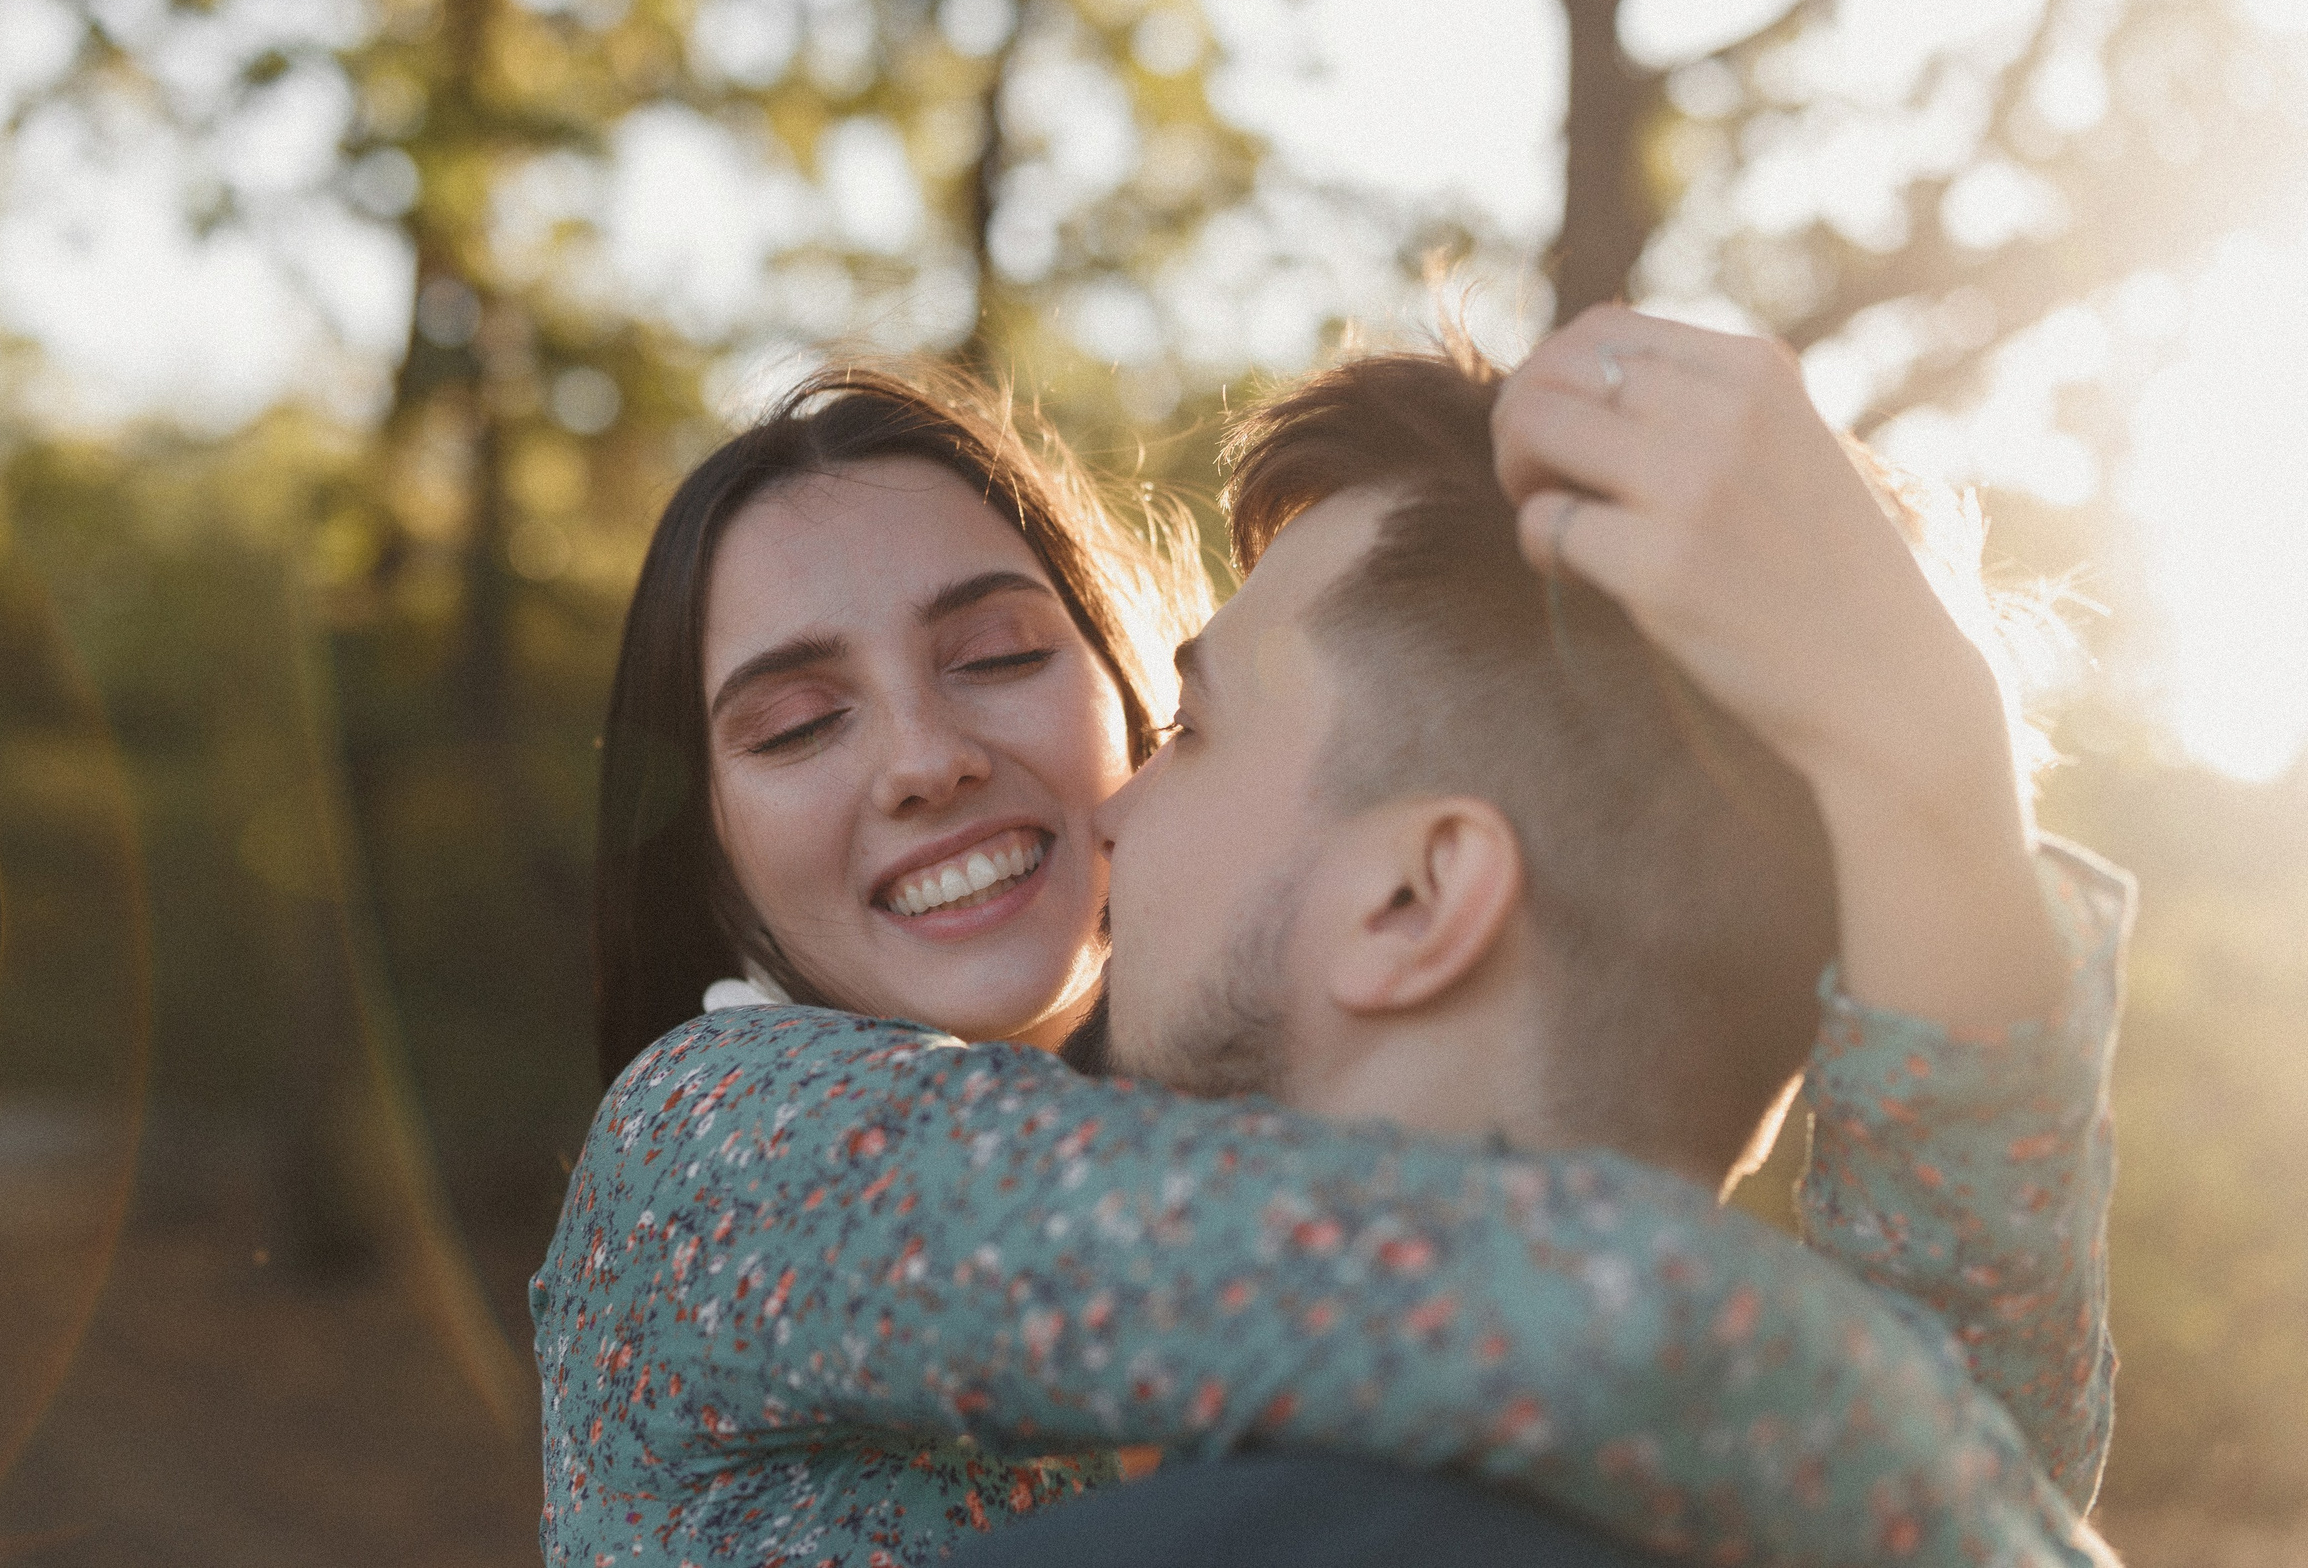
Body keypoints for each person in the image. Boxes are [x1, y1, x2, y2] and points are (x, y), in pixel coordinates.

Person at [536, 309, 2128, 1567]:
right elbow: (1645, 1329)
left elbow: (1861, 1457)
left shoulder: (1258, 1134)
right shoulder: (719, 1142)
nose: (922, 758)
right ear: (715, 851)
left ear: (1121, 690)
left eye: (999, 652)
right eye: (801, 724)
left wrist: (1936, 799)